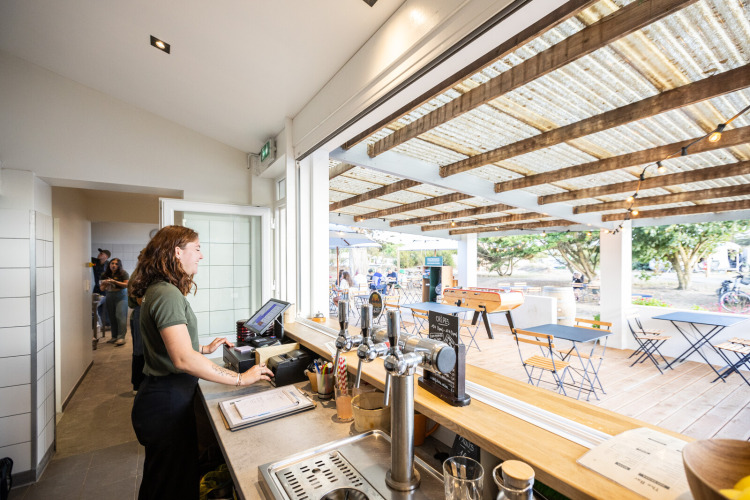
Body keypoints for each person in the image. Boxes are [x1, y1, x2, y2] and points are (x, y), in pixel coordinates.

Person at [129, 225, 273, 500]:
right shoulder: (167, 293)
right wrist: (242, 379)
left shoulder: (158, 289)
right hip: (167, 402)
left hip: (161, 397)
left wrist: (202, 348)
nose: (201, 256)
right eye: (196, 248)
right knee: (168, 487)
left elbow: (170, 344)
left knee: (166, 479)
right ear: (177, 252)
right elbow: (182, 359)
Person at [100, 258, 129, 346]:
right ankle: (114, 336)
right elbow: (101, 288)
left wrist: (114, 281)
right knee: (112, 317)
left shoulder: (123, 273)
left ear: (119, 265)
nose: (114, 265)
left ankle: (121, 338)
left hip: (121, 296)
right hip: (109, 295)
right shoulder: (104, 274)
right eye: (112, 263)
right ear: (109, 264)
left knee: (120, 316)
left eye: (116, 264)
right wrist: (105, 283)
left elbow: (126, 284)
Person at [91, 249, 111, 333]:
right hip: (96, 287)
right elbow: (86, 259)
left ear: (106, 256)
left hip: (105, 288)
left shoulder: (109, 265)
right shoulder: (95, 262)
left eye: (101, 253)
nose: (99, 254)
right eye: (99, 253)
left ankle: (107, 324)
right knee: (97, 306)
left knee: (105, 307)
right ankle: (99, 324)